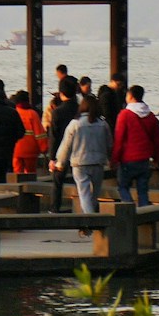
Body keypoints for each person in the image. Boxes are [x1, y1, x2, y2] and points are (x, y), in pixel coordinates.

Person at [53, 93, 112, 231]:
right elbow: (109, 144)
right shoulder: (103, 124)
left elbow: (66, 145)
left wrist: (60, 163)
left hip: (79, 163)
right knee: (94, 194)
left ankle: (90, 223)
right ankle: (91, 220)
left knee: (84, 193)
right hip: (98, 162)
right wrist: (110, 159)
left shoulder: (75, 124)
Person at [112, 83, 159, 206]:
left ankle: (129, 210)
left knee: (123, 187)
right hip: (145, 160)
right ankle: (143, 215)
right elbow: (156, 140)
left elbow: (119, 139)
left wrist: (114, 159)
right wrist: (156, 158)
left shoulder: (124, 115)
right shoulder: (151, 116)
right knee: (143, 191)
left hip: (128, 160)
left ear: (130, 96)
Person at [47, 75, 81, 213]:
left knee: (58, 182)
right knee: (79, 181)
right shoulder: (80, 109)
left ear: (61, 92)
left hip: (61, 151)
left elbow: (54, 137)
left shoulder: (57, 112)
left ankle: (55, 208)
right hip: (79, 149)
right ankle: (80, 208)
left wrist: (52, 157)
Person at [11, 88, 46, 178]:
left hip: (15, 150)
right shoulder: (32, 114)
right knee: (30, 174)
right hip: (31, 151)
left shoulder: (13, 112)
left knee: (17, 174)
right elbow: (39, 134)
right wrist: (44, 148)